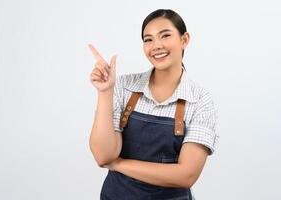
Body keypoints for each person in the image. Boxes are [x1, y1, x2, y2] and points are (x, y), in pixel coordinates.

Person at [88, 9, 218, 200]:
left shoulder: (199, 100)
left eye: (165, 35)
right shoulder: (124, 86)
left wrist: (118, 164)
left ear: (184, 39)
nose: (156, 45)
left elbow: (186, 175)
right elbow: (103, 155)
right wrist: (105, 92)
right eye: (148, 39)